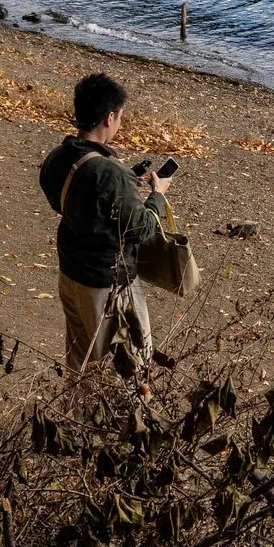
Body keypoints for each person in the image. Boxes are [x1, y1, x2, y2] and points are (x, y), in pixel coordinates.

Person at [40, 73, 169, 371]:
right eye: (121, 116)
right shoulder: (110, 174)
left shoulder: (58, 156)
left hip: (70, 272)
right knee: (128, 364)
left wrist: (122, 190)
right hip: (105, 283)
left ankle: (75, 414)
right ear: (109, 118)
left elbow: (61, 197)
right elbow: (141, 229)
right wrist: (157, 195)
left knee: (80, 360)